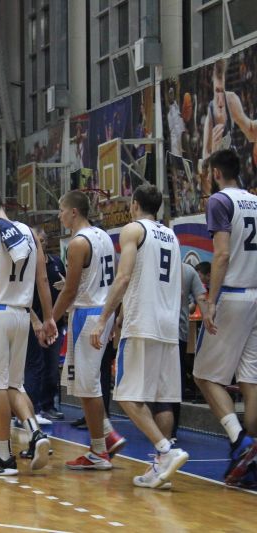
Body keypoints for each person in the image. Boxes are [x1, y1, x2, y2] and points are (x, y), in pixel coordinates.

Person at [90, 184, 189, 489]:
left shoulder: (133, 230)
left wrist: (104, 319)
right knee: (162, 399)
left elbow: (123, 277)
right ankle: (160, 468)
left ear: (134, 204)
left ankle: (166, 451)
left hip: (143, 322)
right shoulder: (171, 235)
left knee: (126, 396)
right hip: (168, 324)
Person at [0, 186, 56, 476]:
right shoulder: (30, 233)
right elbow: (43, 279)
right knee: (13, 385)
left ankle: (4, 457)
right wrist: (49, 318)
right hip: (22, 314)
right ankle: (35, 433)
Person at [192, 149, 257, 486]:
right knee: (251, 380)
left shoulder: (220, 201)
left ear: (216, 173)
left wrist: (211, 301)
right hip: (256, 295)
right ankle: (253, 453)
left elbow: (221, 255)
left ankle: (239, 440)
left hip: (232, 295)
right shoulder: (255, 200)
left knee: (203, 375)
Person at [51, 190, 127, 470]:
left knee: (88, 385)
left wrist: (50, 320)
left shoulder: (77, 243)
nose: (59, 216)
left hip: (86, 313)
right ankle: (108, 436)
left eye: (61, 211)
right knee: (86, 384)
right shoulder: (104, 236)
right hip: (103, 310)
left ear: (74, 212)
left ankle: (99, 451)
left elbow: (71, 291)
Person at [151, 263, 207, 441]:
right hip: (177, 330)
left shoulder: (153, 264)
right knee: (174, 383)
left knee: (156, 380)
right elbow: (200, 297)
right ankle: (171, 431)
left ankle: (157, 429)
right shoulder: (188, 270)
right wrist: (208, 317)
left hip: (154, 330)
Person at [27, 226, 66, 422]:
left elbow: (67, 286)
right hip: (33, 323)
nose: (40, 244)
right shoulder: (27, 266)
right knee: (35, 367)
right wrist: (35, 320)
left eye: (42, 241)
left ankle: (49, 405)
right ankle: (31, 408)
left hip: (54, 323)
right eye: (36, 241)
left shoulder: (57, 262)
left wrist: (66, 286)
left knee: (51, 367)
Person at [202, 58, 257, 161]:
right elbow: (205, 162)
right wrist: (214, 150)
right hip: (218, 167)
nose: (220, 100)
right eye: (217, 91)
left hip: (232, 166)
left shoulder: (231, 101)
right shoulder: (210, 114)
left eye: (222, 91)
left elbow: (250, 131)